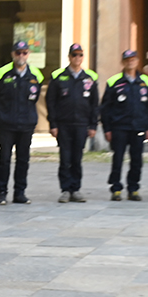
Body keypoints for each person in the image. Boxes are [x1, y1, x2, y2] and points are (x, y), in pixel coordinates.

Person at [0, 40, 44, 205]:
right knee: (4, 159)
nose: (21, 55)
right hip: (6, 125)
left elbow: (35, 98)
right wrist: (2, 115)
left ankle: (20, 193)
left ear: (28, 54)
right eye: (18, 52)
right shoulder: (2, 73)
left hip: (26, 125)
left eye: (24, 52)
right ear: (13, 54)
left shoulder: (36, 74)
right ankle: (2, 193)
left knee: (23, 160)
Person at [45, 43, 99, 202]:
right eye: (74, 55)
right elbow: (51, 102)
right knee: (65, 158)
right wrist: (53, 124)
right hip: (63, 124)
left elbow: (95, 104)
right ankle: (65, 190)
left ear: (83, 57)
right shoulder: (58, 77)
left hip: (81, 124)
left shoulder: (89, 78)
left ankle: (76, 189)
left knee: (77, 158)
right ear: (69, 57)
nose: (77, 58)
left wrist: (93, 125)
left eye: (80, 55)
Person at [100, 50, 148, 201]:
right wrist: (107, 128)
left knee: (137, 160)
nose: (130, 62)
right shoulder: (114, 81)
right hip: (119, 127)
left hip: (138, 127)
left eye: (133, 59)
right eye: (127, 59)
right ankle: (116, 189)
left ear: (137, 61)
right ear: (123, 62)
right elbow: (105, 108)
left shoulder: (145, 81)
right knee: (118, 159)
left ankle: (133, 188)